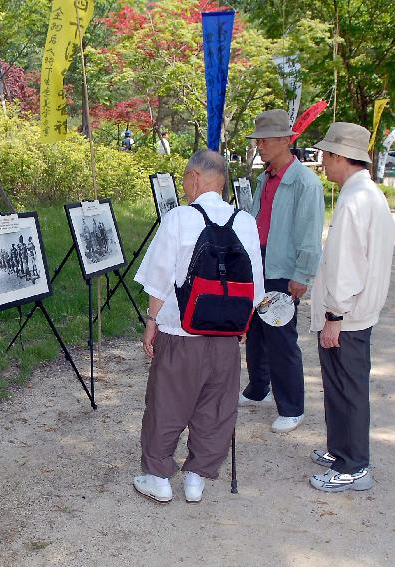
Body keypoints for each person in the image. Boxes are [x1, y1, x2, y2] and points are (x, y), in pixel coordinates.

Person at [132, 149, 264, 503]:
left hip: (181, 333)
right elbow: (256, 288)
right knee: (217, 407)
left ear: (194, 178)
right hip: (225, 335)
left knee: (167, 403)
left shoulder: (179, 218)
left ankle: (158, 477)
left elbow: (159, 279)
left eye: (186, 181)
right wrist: (242, 328)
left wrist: (151, 322)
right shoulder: (245, 221)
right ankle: (196, 478)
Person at [308, 122, 395, 492]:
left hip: (347, 316)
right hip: (357, 312)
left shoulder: (353, 201)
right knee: (341, 386)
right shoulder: (369, 195)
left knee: (348, 389)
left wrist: (333, 316)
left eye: (326, 156)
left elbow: (346, 266)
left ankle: (354, 464)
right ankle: (340, 448)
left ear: (340, 157)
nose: (323, 163)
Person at [239, 109, 325, 433]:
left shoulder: (304, 182)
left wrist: (302, 276)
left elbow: (310, 234)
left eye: (263, 140)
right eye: (257, 140)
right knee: (257, 333)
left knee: (281, 338)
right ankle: (258, 389)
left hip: (283, 269)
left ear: (283, 140)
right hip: (260, 264)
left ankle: (292, 406)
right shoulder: (266, 176)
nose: (259, 145)